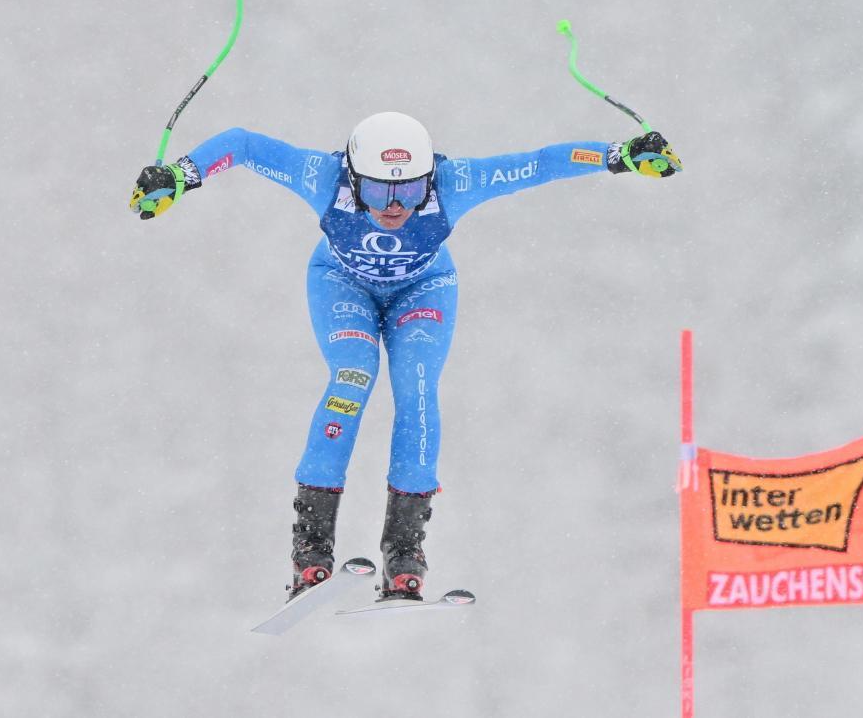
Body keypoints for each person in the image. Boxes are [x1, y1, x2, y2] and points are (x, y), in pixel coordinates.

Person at [129, 112, 681, 603]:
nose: (394, 205)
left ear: (428, 179)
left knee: (416, 388)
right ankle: (311, 549)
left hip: (424, 289)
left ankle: (405, 555)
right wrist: (181, 175)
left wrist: (619, 156)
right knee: (352, 378)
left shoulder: (455, 183)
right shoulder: (322, 177)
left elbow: (538, 163)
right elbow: (244, 144)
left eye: (411, 190)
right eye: (376, 192)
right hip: (342, 284)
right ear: (351, 176)